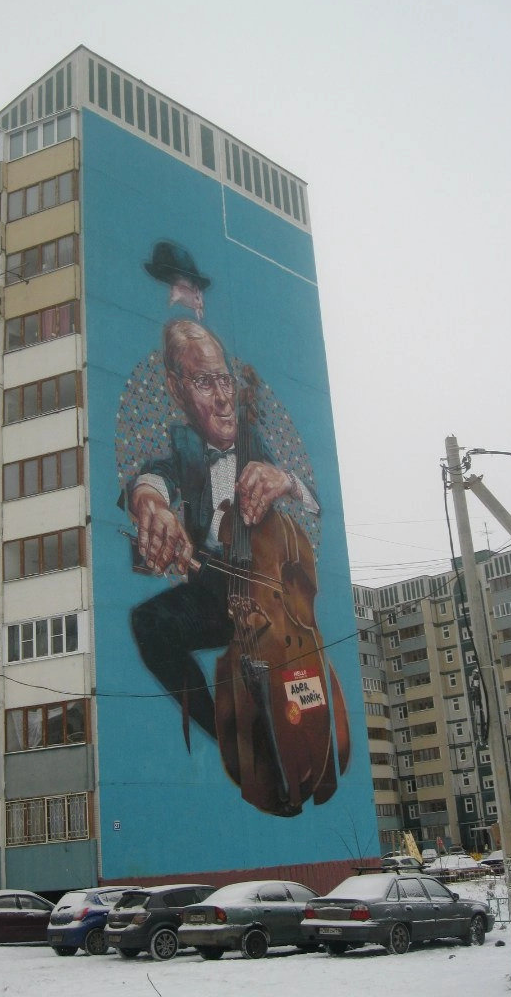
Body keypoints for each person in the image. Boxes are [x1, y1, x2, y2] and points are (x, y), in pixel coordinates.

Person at [126, 319, 317, 745]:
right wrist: (151, 504)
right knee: (148, 622)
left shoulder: (257, 443)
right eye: (204, 382)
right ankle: (222, 734)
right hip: (216, 593)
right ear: (176, 389)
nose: (223, 397)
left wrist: (287, 481)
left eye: (225, 380)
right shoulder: (186, 446)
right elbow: (154, 477)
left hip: (272, 594)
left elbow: (316, 499)